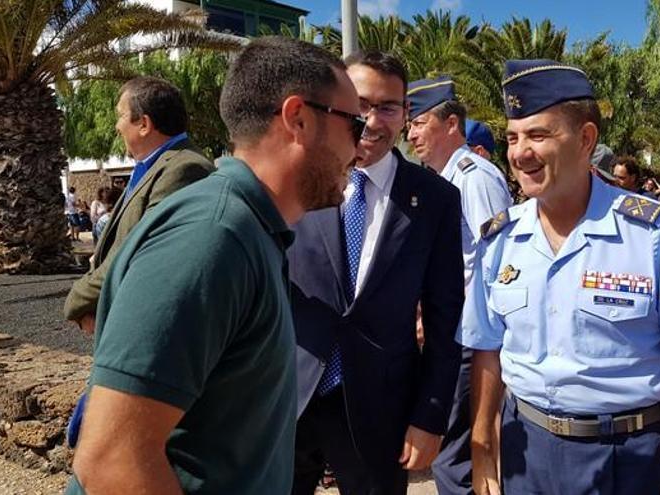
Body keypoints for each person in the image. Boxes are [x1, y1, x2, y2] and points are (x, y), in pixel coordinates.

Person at [66, 37, 362, 494]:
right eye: (354, 126)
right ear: (298, 119)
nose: (359, 150)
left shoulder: (251, 231)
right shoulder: (212, 236)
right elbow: (112, 461)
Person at [460, 59, 660, 495]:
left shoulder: (651, 231)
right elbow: (487, 352)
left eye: (537, 135)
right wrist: (481, 448)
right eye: (513, 138)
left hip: (625, 458)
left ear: (586, 139)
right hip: (524, 451)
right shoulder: (501, 239)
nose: (518, 153)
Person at [287, 51, 464, 495]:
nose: (371, 120)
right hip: (287, 400)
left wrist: (430, 415)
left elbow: (446, 320)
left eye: (387, 107)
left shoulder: (435, 200)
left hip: (380, 411)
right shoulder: (294, 181)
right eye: (360, 104)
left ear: (406, 115)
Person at [406, 76, 512, 495]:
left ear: (452, 125)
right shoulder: (442, 178)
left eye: (419, 123)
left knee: (455, 452)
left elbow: (495, 262)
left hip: (470, 337)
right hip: (450, 331)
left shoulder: (474, 178)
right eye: (409, 125)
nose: (411, 134)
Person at [63, 76, 214, 333]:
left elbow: (139, 250)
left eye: (121, 116)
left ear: (144, 124)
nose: (116, 126)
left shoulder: (184, 169)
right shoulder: (151, 168)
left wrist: (78, 299)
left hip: (155, 329)